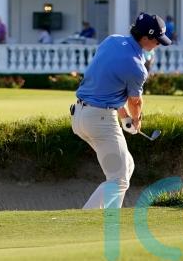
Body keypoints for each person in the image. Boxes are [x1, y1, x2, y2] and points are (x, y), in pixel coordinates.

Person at [71, 12, 171, 209]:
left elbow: (107, 84)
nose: (159, 44)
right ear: (146, 38)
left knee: (126, 168)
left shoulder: (112, 41)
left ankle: (91, 218)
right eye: (157, 40)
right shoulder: (137, 67)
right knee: (119, 179)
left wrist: (124, 117)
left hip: (80, 117)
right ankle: (97, 223)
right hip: (100, 121)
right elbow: (136, 102)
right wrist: (136, 120)